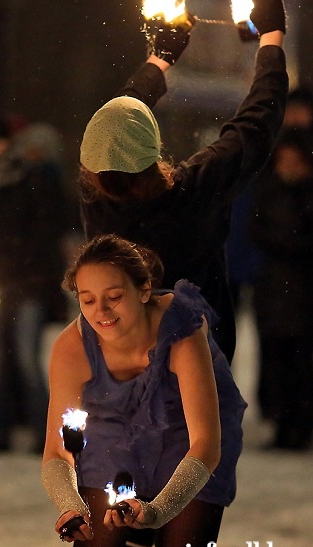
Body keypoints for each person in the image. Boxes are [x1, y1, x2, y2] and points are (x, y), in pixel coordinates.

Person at [78, 0, 288, 365]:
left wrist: (160, 57)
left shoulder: (97, 197)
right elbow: (258, 120)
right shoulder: (195, 191)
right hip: (201, 359)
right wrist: (271, 36)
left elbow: (118, 122)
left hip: (121, 365)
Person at [42, 234, 246, 547]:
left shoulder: (180, 330)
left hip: (186, 436)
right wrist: (72, 506)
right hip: (114, 436)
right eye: (87, 300)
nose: (100, 312)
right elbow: (58, 452)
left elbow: (206, 444)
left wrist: (157, 511)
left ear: (144, 289)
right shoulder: (72, 347)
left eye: (114, 297)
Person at [0, 112, 68, 452]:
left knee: (25, 359)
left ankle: (43, 433)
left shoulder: (29, 176)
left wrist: (36, 272)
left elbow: (45, 229)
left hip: (27, 282)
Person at [248, 128, 313, 448]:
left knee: (301, 361)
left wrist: (292, 245)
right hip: (275, 289)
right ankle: (283, 423)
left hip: (305, 290)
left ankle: (301, 425)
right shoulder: (270, 193)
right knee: (278, 359)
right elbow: (256, 230)